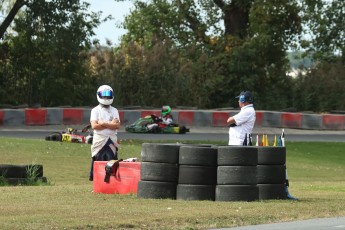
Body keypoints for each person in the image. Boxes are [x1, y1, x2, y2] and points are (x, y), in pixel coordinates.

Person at [89, 85, 120, 181]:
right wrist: (110, 124)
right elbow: (94, 126)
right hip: (99, 140)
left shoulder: (114, 110)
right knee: (98, 161)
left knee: (111, 162)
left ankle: (111, 182)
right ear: (99, 95)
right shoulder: (95, 110)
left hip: (111, 140)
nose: (106, 97)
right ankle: (98, 182)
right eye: (104, 95)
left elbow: (117, 126)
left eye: (108, 95)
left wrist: (102, 123)